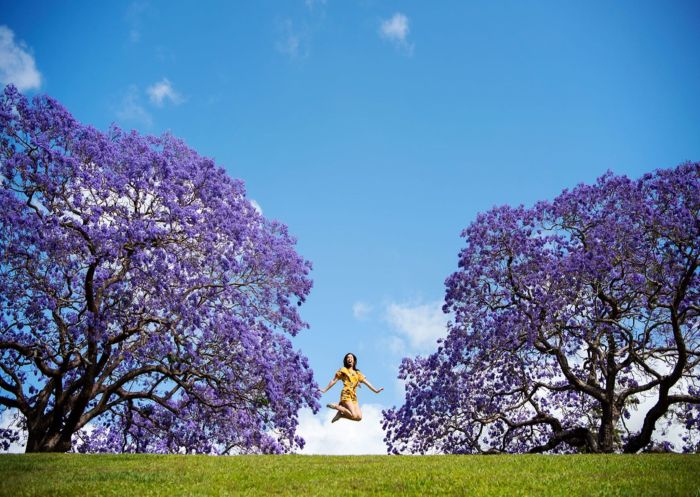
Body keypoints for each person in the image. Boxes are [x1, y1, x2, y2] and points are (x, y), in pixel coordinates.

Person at [319, 352, 384, 423]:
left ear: (354, 361)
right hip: (346, 394)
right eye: (348, 357)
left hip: (353, 397)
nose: (349, 359)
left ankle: (341, 415)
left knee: (359, 417)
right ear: (346, 360)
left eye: (351, 357)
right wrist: (324, 390)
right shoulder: (343, 370)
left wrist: (376, 391)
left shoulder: (357, 373)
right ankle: (336, 406)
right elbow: (334, 380)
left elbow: (367, 382)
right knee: (353, 414)